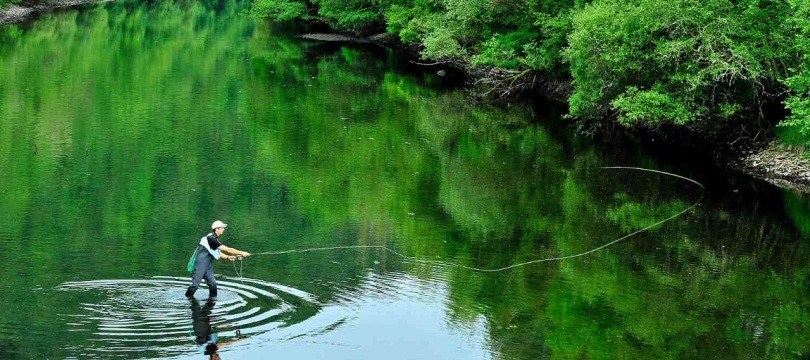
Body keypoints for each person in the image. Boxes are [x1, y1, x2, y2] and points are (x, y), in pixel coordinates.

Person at [185, 220, 251, 299]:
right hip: (200, 265)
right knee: (195, 285)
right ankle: (187, 299)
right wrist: (242, 253)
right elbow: (228, 249)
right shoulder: (211, 238)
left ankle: (212, 300)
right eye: (222, 228)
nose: (224, 229)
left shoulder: (213, 238)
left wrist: (227, 257)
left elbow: (216, 252)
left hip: (207, 266)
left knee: (213, 284)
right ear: (217, 229)